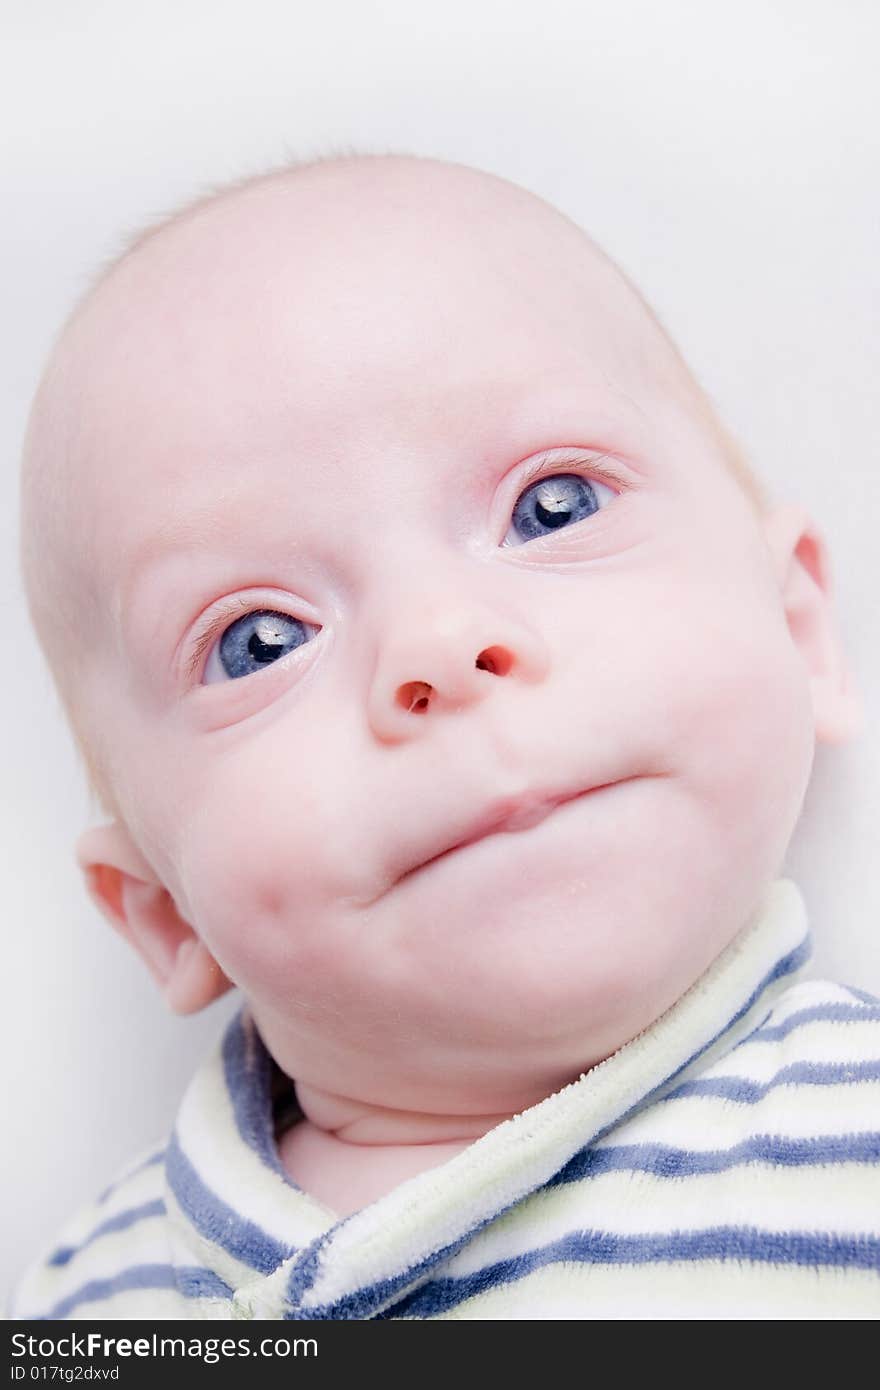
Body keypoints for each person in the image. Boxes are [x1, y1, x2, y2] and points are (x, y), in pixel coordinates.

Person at [11, 151, 879, 1319]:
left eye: (552, 506)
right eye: (260, 641)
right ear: (164, 911)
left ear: (795, 627)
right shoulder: (91, 1295)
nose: (436, 642)